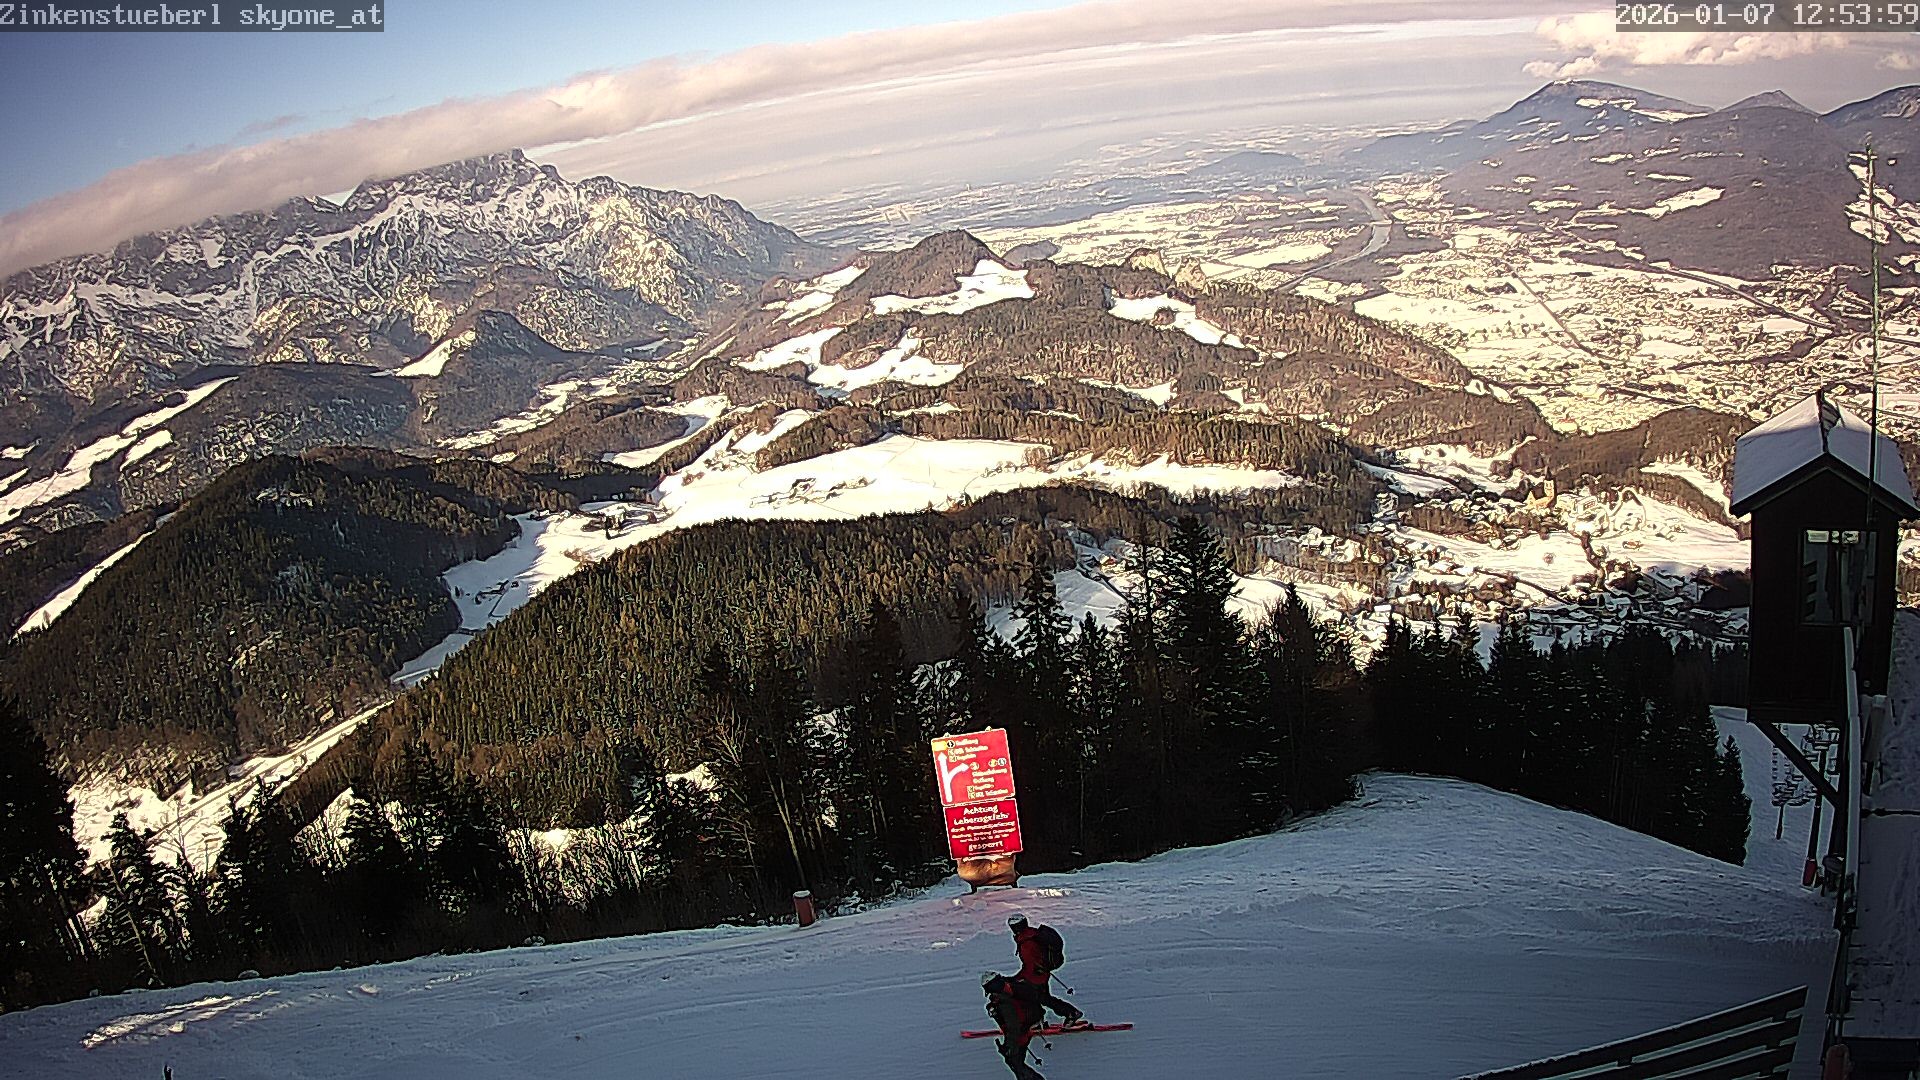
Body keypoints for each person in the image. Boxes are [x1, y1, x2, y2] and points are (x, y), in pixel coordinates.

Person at [1007, 914, 1083, 1026]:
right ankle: (1041, 1020)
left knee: (1035, 997)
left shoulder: (1027, 942)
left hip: (1036, 976)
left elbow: (1031, 964)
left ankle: (1070, 1013)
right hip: (1039, 974)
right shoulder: (1031, 934)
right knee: (1040, 997)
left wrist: (1019, 978)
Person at [982, 971, 1047, 1080]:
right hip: (1029, 1021)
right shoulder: (1010, 987)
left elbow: (1013, 1027)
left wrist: (1009, 1046)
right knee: (1016, 1062)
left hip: (1021, 1033)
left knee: (1015, 1062)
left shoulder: (1003, 1002)